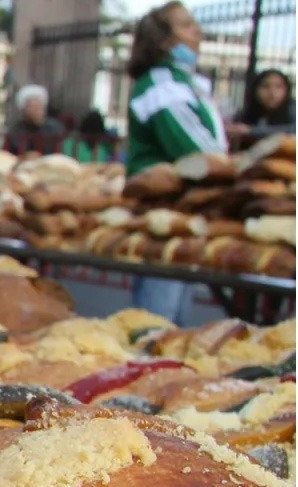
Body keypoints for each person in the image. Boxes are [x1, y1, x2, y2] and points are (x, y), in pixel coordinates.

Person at [126, 1, 225, 323]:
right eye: (185, 25)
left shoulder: (184, 83)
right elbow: (194, 152)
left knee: (174, 317)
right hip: (164, 213)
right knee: (158, 322)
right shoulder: (162, 84)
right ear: (163, 39)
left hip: (184, 212)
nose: (197, 32)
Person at [230, 69, 295, 137]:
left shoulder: (292, 108)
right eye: (265, 86)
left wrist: (252, 130)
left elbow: (293, 129)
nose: (272, 93)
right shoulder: (249, 110)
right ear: (255, 90)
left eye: (278, 87)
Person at [5, 84, 65, 154]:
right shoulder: (15, 131)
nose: (37, 110)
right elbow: (8, 156)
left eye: (39, 106)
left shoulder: (55, 129)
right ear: (24, 110)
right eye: (33, 107)